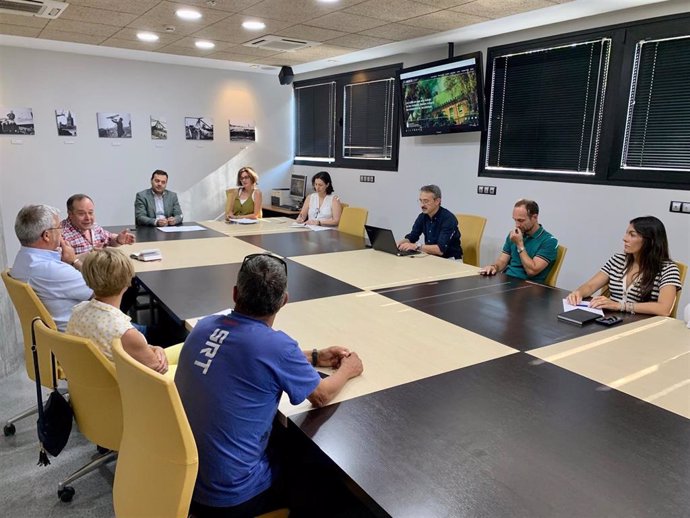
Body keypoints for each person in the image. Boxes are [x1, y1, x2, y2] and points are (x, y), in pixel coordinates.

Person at [175, 253, 363, 516]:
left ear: (235, 293)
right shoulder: (276, 346)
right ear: (284, 300)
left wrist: (316, 356)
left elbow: (251, 353)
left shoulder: (204, 326)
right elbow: (321, 396)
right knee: (321, 473)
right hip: (232, 496)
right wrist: (348, 370)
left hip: (184, 480)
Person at [66, 248, 174, 373]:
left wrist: (151, 347)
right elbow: (157, 369)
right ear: (128, 282)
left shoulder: (77, 310)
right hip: (124, 387)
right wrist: (158, 348)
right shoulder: (125, 332)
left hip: (89, 381)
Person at [567, 216, 681, 316]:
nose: (625, 238)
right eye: (627, 233)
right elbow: (591, 286)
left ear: (650, 241)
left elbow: (664, 309)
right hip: (611, 320)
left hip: (644, 327)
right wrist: (579, 293)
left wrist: (620, 306)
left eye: (632, 235)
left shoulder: (668, 269)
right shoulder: (618, 259)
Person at [10, 204, 93, 331]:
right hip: (82, 336)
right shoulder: (53, 270)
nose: (62, 232)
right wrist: (74, 261)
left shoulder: (23, 258)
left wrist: (74, 258)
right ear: (46, 235)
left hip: (51, 339)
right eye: (59, 227)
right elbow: (103, 292)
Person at [480, 199, 558, 283]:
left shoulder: (549, 241)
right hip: (507, 280)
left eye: (521, 220)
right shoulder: (514, 235)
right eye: (515, 220)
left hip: (528, 286)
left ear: (534, 217)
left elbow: (532, 271)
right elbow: (502, 260)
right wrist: (494, 267)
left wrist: (520, 244)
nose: (517, 225)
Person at [397, 184, 463, 259]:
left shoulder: (448, 219)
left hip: (451, 260)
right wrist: (401, 243)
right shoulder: (422, 216)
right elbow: (412, 236)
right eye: (421, 201)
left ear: (437, 201)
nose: (422, 205)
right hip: (431, 257)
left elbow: (440, 249)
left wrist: (416, 246)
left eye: (426, 201)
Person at [61, 194, 135, 259]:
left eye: (90, 213)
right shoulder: (61, 233)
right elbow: (62, 261)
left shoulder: (94, 226)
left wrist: (118, 239)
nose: (88, 218)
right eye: (81, 214)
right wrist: (90, 254)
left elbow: (109, 239)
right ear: (70, 214)